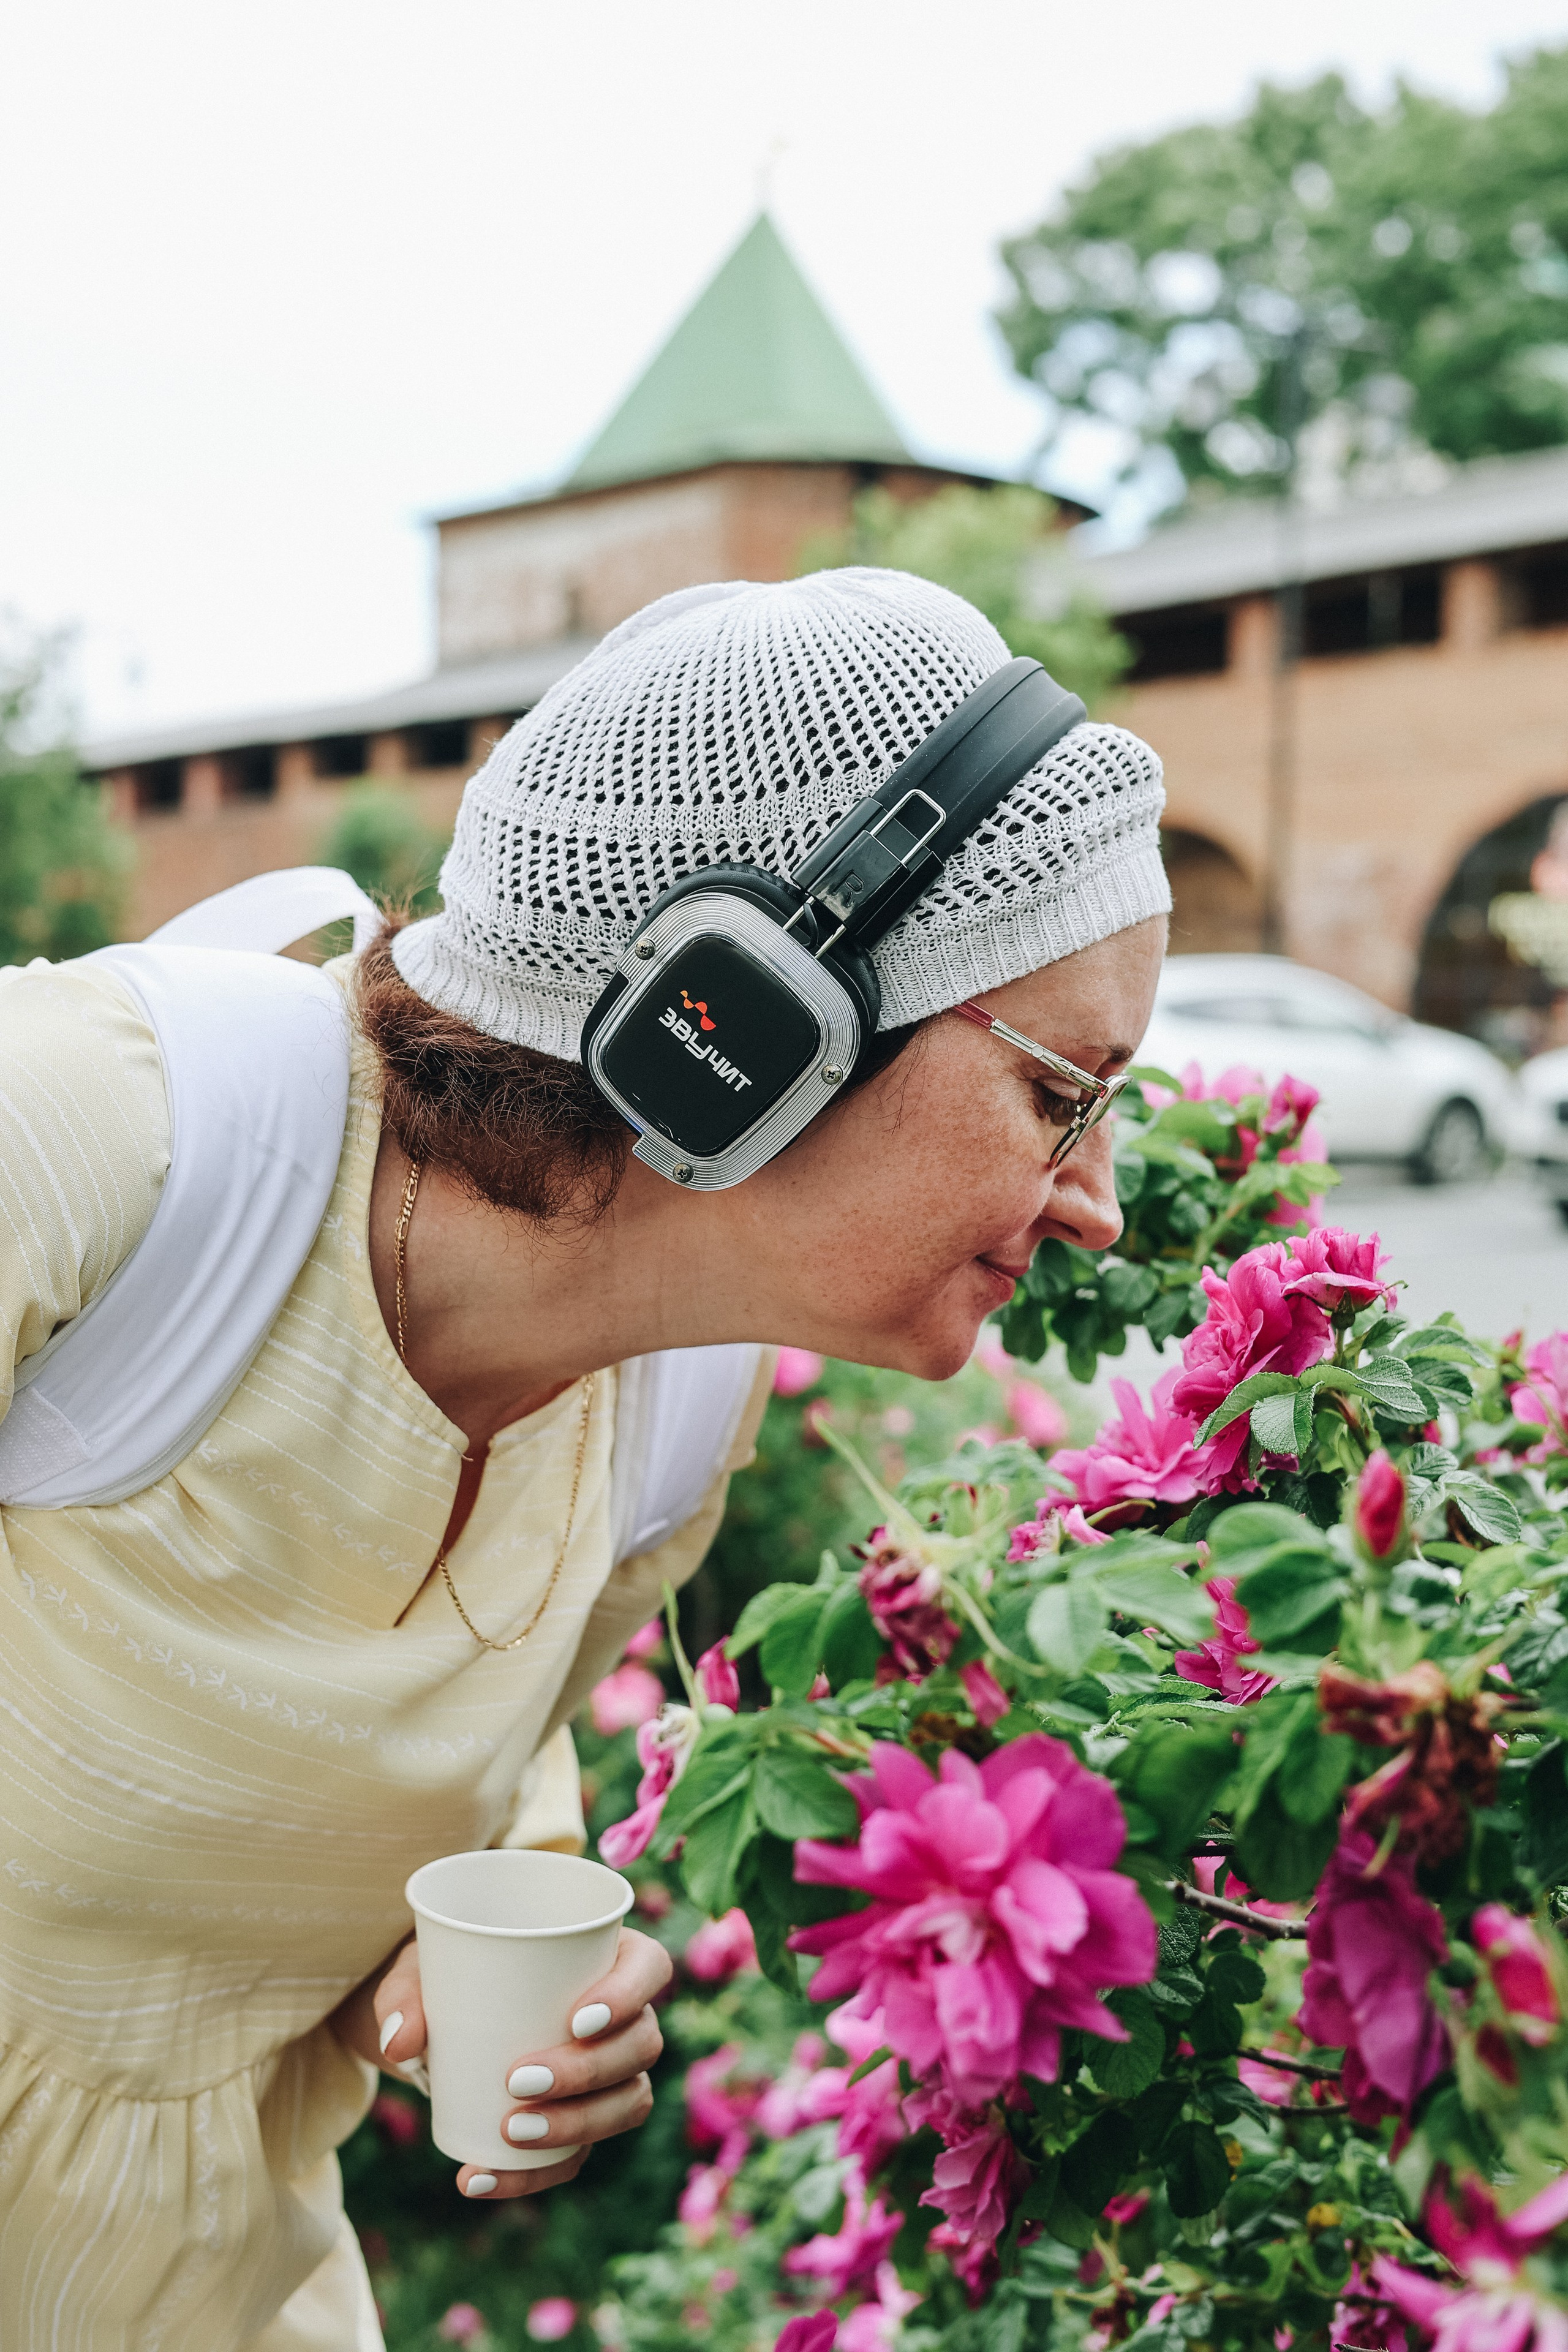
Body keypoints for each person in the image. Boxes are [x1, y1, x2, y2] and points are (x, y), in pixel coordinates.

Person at [0, 568, 1169, 2348]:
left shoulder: (678, 1412)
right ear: (748, 1020)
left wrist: (487, 1952)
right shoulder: (91, 1132)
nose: (1096, 1202)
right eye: (1060, 1092)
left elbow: (480, 1744)